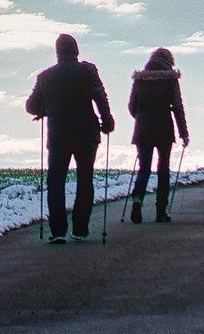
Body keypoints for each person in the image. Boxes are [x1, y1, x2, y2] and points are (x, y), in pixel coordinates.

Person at [26, 33, 115, 243]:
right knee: (85, 179)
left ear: (57, 52)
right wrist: (107, 120)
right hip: (87, 134)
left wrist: (46, 109)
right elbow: (100, 96)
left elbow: (30, 106)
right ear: (76, 51)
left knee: (56, 181)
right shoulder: (88, 70)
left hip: (59, 134)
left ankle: (58, 231)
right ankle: (80, 228)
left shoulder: (45, 76)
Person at [126, 47, 189, 223]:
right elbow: (177, 107)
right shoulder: (171, 79)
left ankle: (137, 199)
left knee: (144, 167)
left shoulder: (140, 79)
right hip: (164, 128)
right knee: (163, 169)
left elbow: (132, 105)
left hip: (143, 128)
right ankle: (161, 211)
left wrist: (141, 117)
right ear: (169, 61)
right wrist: (183, 133)